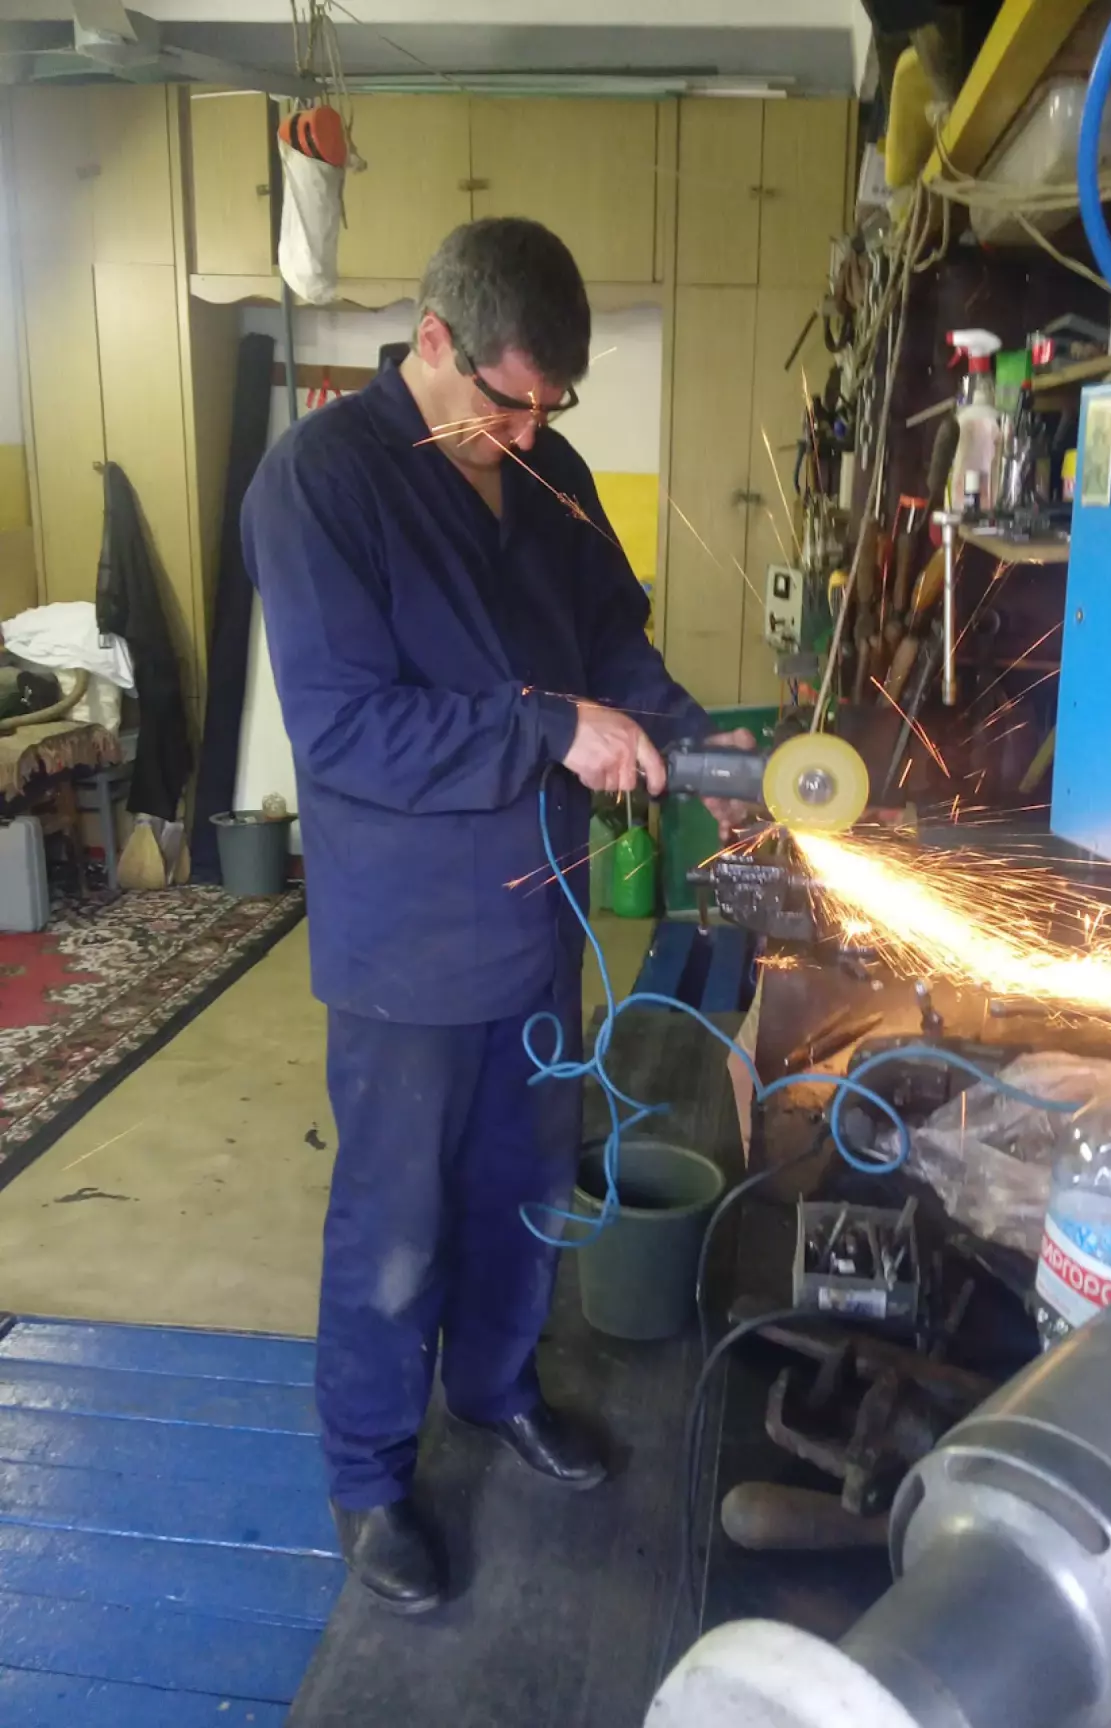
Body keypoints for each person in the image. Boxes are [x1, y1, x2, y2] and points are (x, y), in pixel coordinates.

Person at [241, 217, 751, 1616]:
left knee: (521, 1186)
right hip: (405, 944)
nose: (529, 434)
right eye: (508, 402)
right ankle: (368, 1477)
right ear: (433, 342)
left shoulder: (551, 472)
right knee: (396, 1222)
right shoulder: (319, 484)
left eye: (552, 408)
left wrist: (696, 745)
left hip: (538, 918)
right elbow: (346, 731)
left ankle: (495, 1386)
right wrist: (549, 728)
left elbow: (610, 646)